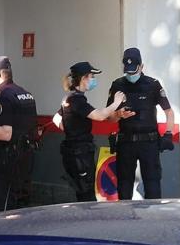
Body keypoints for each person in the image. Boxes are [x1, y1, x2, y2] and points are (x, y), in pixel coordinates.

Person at [52, 62, 127, 202]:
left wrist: (70, 129)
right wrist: (116, 103)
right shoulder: (77, 100)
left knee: (82, 191)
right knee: (86, 195)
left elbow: (56, 118)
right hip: (80, 155)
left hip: (73, 152)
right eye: (92, 76)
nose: (93, 80)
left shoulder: (69, 97)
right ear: (83, 78)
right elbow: (99, 116)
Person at [107, 48, 175, 200]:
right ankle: (126, 215)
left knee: (153, 187)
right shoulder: (117, 85)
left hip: (149, 143)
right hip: (126, 143)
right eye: (128, 72)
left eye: (134, 71)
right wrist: (118, 115)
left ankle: (153, 215)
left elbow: (169, 112)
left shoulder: (153, 85)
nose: (131, 75)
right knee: (124, 188)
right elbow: (109, 118)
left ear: (141, 66)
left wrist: (168, 134)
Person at [0, 56, 38, 212]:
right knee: (18, 202)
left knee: (3, 204)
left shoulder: (4, 97)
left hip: (10, 156)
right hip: (27, 155)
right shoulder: (25, 94)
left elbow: (5, 133)